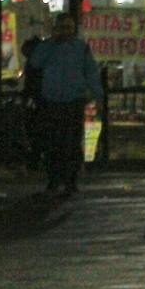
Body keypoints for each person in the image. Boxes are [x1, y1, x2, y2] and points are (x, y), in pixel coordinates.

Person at [25, 15, 104, 199]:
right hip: (51, 100)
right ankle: (54, 180)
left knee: (72, 143)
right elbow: (35, 63)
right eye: (62, 27)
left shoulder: (80, 48)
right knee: (53, 143)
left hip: (73, 100)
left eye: (69, 27)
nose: (66, 31)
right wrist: (50, 44)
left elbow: (91, 72)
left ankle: (70, 182)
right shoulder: (48, 47)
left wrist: (97, 95)